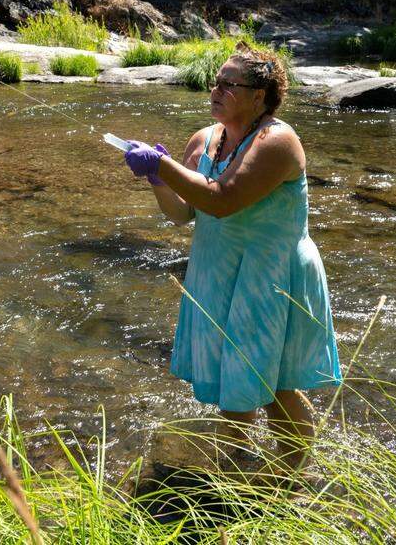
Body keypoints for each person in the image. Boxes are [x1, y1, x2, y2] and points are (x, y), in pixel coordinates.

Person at [123, 41, 341, 478]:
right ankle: (239, 479)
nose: (215, 89)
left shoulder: (277, 140)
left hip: (272, 274)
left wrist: (164, 167)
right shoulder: (204, 139)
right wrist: (156, 179)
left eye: (228, 83)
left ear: (259, 96)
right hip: (220, 271)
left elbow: (223, 201)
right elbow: (183, 213)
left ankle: (290, 479)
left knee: (279, 385)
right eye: (215, 82)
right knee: (232, 384)